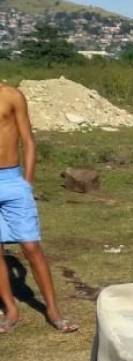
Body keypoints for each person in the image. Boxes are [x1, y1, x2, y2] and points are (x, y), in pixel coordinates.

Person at [0, 83, 75, 334]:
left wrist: (27, 183)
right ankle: (11, 310)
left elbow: (28, 141)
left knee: (31, 246)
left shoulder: (11, 95)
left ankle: (53, 311)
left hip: (12, 180)